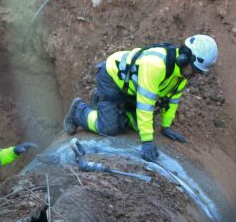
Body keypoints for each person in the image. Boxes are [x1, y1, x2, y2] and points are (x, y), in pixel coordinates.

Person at [62, 34, 218, 162]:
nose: (194, 75)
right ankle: (79, 110)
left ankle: (104, 103)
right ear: (185, 58)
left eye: (198, 72)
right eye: (194, 70)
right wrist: (147, 141)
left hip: (131, 89)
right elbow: (145, 104)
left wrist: (166, 126)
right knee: (108, 128)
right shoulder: (156, 66)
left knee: (138, 125)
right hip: (112, 79)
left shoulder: (181, 74)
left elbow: (173, 99)